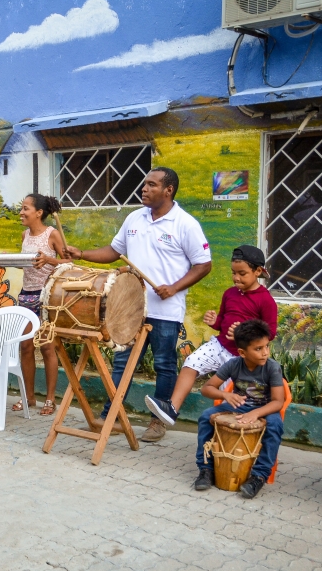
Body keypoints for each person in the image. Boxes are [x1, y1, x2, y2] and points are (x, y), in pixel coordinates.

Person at [66, 168, 212, 442]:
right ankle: (111, 414)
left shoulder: (185, 224)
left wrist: (175, 287)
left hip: (165, 311)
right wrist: (81, 253)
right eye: (144, 184)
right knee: (122, 363)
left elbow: (204, 265)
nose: (144, 189)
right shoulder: (135, 218)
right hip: (131, 307)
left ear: (168, 190)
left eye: (151, 185)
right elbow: (114, 252)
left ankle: (159, 421)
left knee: (164, 364)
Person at [147, 245, 278, 427]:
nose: (236, 278)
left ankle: (226, 443)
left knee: (231, 401)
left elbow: (270, 332)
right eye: (233, 273)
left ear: (258, 271)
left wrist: (244, 332)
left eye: (242, 273)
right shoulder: (229, 294)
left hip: (241, 357)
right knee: (191, 363)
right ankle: (172, 409)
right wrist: (215, 321)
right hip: (220, 345)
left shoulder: (266, 300)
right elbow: (223, 323)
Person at [195, 320, 285, 499]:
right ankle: (205, 469)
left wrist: (256, 413)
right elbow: (207, 388)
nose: (265, 352)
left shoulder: (272, 367)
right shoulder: (233, 364)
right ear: (243, 352)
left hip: (265, 408)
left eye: (266, 346)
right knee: (206, 417)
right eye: (258, 349)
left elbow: (278, 402)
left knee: (275, 426)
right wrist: (226, 396)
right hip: (237, 405)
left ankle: (259, 475)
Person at [16, 193, 69, 417]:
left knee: (47, 347)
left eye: (26, 208)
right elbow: (27, 264)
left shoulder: (52, 234)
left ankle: (50, 399)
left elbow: (69, 262)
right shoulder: (24, 235)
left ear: (39, 213)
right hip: (26, 295)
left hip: (47, 297)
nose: (21, 212)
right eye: (22, 207)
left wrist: (49, 260)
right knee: (26, 347)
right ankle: (29, 396)